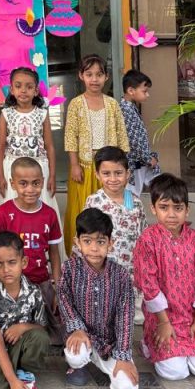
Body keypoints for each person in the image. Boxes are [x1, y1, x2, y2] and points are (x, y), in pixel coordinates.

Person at [133, 173, 195, 381]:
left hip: (193, 318)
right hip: (162, 319)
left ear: (187, 209)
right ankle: (149, 343)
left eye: (178, 208)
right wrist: (164, 323)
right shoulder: (147, 241)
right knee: (176, 372)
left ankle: (189, 347)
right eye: (164, 207)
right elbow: (148, 285)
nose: (171, 214)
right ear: (153, 208)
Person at [57, 208, 139, 389]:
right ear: (77, 242)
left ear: (111, 243)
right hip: (81, 335)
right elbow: (63, 299)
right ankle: (78, 366)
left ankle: (104, 362)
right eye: (87, 241)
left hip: (110, 344)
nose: (94, 248)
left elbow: (126, 316)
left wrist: (123, 356)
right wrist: (77, 329)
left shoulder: (121, 275)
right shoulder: (70, 269)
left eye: (101, 242)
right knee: (75, 355)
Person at [0, 156, 62, 340]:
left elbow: (54, 253)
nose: (30, 189)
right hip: (12, 284)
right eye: (23, 183)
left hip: (41, 282)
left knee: (55, 330)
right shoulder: (4, 212)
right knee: (9, 329)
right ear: (13, 184)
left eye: (36, 183)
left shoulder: (49, 214)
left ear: (42, 181)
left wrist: (58, 288)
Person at [63, 54, 129, 255]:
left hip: (109, 168)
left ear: (106, 77)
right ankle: (81, 253)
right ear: (81, 76)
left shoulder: (112, 104)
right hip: (84, 167)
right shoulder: (76, 104)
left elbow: (122, 135)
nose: (94, 79)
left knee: (110, 209)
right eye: (89, 74)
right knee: (83, 210)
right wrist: (74, 165)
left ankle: (110, 250)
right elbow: (70, 136)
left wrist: (123, 168)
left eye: (99, 74)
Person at [0, 231, 50, 389]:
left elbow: (42, 326)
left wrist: (23, 327)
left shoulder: (33, 291)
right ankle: (6, 374)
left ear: (23, 262)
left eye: (12, 262)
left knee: (39, 337)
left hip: (21, 347)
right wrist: (12, 381)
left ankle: (24, 370)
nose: (6, 270)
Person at [84, 145, 146, 321]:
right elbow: (86, 237)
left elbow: (142, 234)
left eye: (118, 173)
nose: (113, 179)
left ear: (128, 174)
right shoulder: (94, 202)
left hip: (130, 270)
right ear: (97, 175)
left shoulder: (135, 202)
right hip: (104, 271)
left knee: (132, 317)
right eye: (106, 173)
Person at [0, 67, 60, 222]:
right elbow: (0, 146)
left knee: (40, 206)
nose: (23, 90)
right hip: (12, 167)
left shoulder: (42, 114)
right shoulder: (6, 114)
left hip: (39, 166)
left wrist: (52, 175)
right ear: (11, 89)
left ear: (36, 91)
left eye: (29, 87)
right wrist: (1, 176)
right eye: (18, 86)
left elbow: (50, 146)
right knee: (13, 208)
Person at [120, 70, 160, 197]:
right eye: (144, 91)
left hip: (139, 160)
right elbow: (134, 141)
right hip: (134, 161)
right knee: (131, 192)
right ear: (131, 91)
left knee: (149, 186)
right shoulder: (126, 111)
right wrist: (148, 158)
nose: (147, 95)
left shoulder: (130, 107)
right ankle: (129, 209)